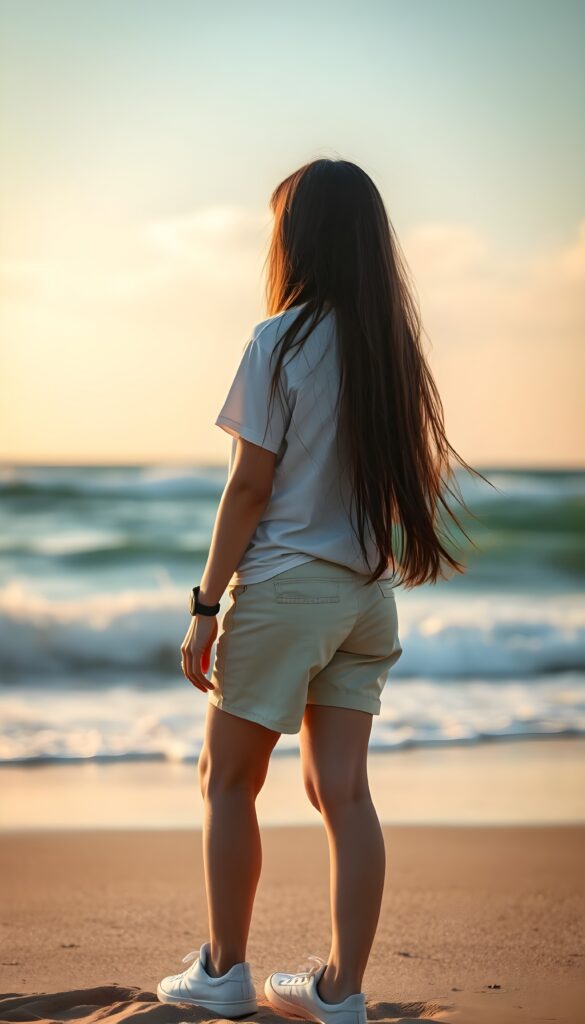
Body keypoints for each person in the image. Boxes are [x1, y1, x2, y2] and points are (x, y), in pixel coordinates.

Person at [157, 158, 490, 1023]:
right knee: (343, 793)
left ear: (296, 239)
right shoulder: (391, 353)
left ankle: (225, 972)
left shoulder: (279, 340)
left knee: (225, 782)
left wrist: (203, 602)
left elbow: (249, 489)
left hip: (285, 591)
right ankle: (340, 991)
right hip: (365, 597)